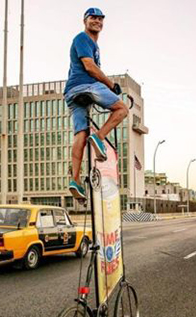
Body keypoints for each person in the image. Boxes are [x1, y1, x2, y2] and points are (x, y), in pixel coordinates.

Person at [64, 7, 129, 200]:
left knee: (81, 134)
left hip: (72, 93)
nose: (97, 22)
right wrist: (111, 85)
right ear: (84, 21)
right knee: (121, 109)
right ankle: (99, 137)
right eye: (93, 18)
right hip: (86, 85)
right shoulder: (82, 39)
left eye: (100, 19)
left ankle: (75, 180)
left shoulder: (94, 44)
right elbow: (90, 67)